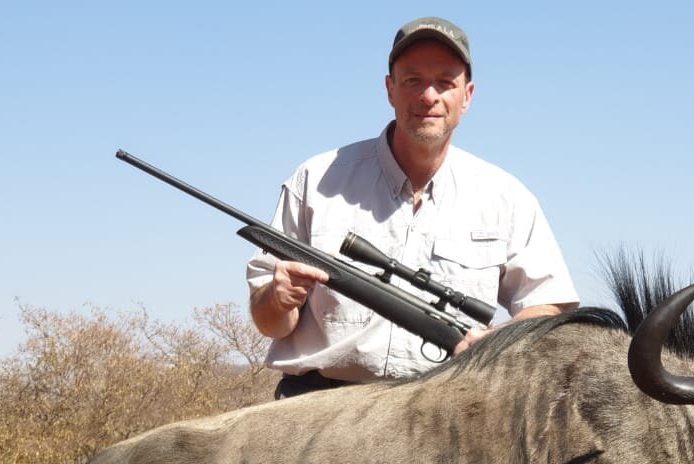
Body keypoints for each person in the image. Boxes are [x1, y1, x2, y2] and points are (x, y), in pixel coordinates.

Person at [247, 16, 579, 399]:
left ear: (467, 95)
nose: (428, 96)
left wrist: (495, 344)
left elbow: (549, 304)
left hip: (447, 409)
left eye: (445, 82)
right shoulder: (316, 178)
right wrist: (277, 297)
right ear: (390, 90)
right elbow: (269, 321)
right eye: (413, 81)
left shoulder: (506, 196)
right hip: (319, 408)